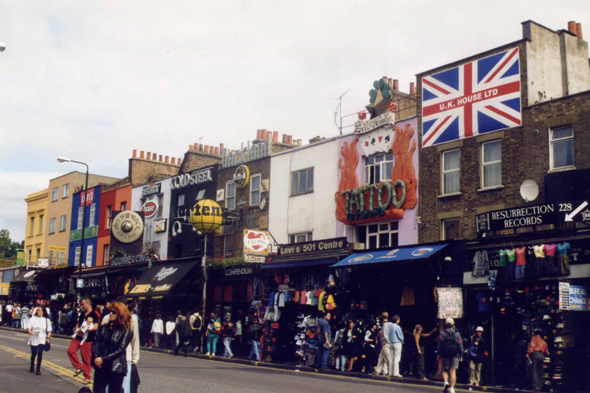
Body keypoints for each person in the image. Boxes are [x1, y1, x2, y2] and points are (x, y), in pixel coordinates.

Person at [92, 302, 133, 393]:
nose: (110, 314)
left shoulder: (126, 331)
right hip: (101, 367)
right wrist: (96, 357)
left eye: (114, 312)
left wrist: (103, 359)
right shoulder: (103, 328)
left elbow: (120, 349)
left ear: (120, 314)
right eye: (110, 311)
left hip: (116, 367)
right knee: (98, 390)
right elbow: (96, 343)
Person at [67, 298, 99, 385]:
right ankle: (78, 366)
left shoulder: (94, 314)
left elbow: (96, 326)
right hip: (78, 337)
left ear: (87, 304)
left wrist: (86, 330)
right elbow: (78, 323)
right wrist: (76, 330)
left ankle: (87, 377)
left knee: (86, 359)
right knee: (70, 350)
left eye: (82, 304)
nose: (81, 306)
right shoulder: (82, 314)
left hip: (88, 340)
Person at [437, 317, 463, 393]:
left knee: (445, 370)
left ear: (445, 324)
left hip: (444, 354)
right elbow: (460, 345)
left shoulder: (442, 333)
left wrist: (438, 354)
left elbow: (439, 345)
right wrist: (461, 354)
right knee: (453, 372)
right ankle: (452, 388)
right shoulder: (457, 334)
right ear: (453, 324)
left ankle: (446, 382)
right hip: (454, 355)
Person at [27, 306, 52, 375]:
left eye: (40, 310)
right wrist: (30, 332)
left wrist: (48, 338)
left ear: (43, 312)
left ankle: (38, 369)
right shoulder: (32, 319)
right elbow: (28, 327)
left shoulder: (46, 320)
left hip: (42, 338)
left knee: (40, 353)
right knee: (33, 354)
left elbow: (49, 330)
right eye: (37, 310)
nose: (38, 312)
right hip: (34, 337)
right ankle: (32, 366)